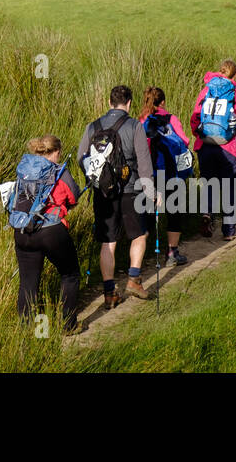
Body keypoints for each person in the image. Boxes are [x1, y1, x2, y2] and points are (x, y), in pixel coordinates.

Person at [78, 85, 157, 308]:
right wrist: (150, 191)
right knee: (140, 235)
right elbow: (144, 163)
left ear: (109, 102)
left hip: (102, 192)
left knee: (108, 241)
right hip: (131, 191)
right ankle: (133, 280)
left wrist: (96, 179)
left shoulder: (92, 127)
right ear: (129, 103)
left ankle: (109, 292)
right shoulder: (135, 126)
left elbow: (80, 158)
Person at [12, 134, 84, 335]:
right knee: (70, 274)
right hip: (50, 230)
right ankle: (67, 326)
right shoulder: (59, 171)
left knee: (28, 282)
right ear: (56, 151)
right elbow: (74, 196)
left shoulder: (24, 169)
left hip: (22, 230)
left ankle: (31, 333)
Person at [189, 59, 236, 240]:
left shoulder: (207, 89)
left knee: (208, 182)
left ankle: (207, 213)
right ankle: (229, 231)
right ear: (235, 75)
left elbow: (195, 118)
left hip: (206, 144)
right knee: (229, 186)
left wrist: (199, 135)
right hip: (229, 147)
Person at [139, 86, 192, 265]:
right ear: (162, 102)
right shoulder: (171, 119)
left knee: (146, 215)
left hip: (147, 174)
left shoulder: (140, 121)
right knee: (174, 212)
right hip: (171, 173)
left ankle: (140, 257)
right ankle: (171, 253)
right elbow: (185, 140)